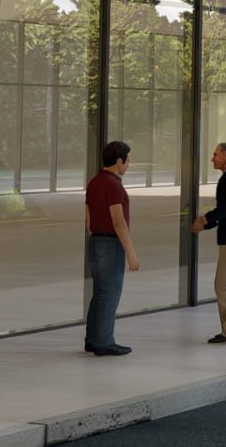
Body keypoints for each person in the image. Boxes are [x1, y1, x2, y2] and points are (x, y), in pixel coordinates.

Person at [84, 141, 140, 356]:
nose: (128, 164)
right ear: (119, 161)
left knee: (100, 292)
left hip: (96, 241)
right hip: (110, 244)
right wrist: (131, 252)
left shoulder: (94, 182)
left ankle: (93, 339)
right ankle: (104, 342)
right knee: (109, 293)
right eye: (127, 160)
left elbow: (88, 220)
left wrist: (95, 233)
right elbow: (119, 222)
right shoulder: (113, 185)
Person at [191, 142, 226, 343]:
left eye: (216, 154)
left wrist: (205, 219)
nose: (212, 158)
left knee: (223, 285)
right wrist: (206, 224)